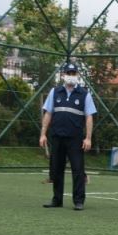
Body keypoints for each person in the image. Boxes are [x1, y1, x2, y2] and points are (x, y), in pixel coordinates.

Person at [39, 62, 97, 211]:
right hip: (57, 137)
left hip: (75, 139)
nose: (71, 76)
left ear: (77, 75)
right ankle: (57, 200)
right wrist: (43, 134)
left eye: (73, 73)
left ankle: (79, 201)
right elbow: (48, 113)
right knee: (56, 169)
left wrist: (88, 138)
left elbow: (89, 117)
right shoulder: (55, 92)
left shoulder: (85, 94)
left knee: (77, 169)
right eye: (68, 73)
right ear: (63, 75)